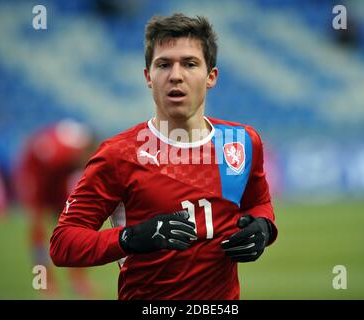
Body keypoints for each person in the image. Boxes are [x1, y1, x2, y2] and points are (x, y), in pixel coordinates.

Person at [50, 13, 278, 300]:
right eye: (164, 64)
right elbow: (63, 243)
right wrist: (129, 238)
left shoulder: (242, 141)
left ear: (211, 77)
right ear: (148, 76)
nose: (176, 75)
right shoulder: (117, 156)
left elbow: (258, 202)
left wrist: (264, 228)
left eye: (190, 63)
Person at [14, 119, 97, 298]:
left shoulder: (77, 152)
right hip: (36, 174)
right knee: (38, 229)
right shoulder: (57, 154)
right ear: (83, 151)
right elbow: (37, 151)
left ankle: (78, 280)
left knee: (74, 226)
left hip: (58, 178)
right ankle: (44, 282)